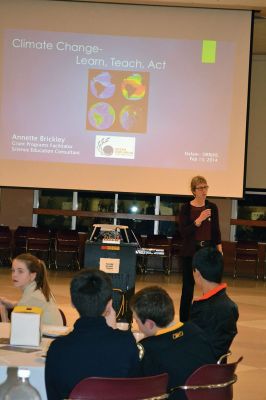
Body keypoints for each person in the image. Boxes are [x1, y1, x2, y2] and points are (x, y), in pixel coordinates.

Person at [45, 269, 140, 400]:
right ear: (109, 304)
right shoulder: (126, 342)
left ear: (72, 302)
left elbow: (52, 395)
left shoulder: (57, 348)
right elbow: (133, 389)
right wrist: (113, 329)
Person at [130, 286, 216, 400]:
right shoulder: (196, 331)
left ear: (150, 324)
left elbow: (135, 387)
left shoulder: (147, 349)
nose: (137, 326)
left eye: (136, 321)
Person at [179, 175, 222, 322]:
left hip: (208, 251)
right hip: (190, 252)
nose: (204, 190)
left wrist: (219, 249)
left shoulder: (212, 207)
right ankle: (184, 321)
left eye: (206, 187)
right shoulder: (186, 208)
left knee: (210, 286)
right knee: (188, 288)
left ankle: (210, 317)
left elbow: (216, 230)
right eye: (201, 188)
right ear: (193, 191)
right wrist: (199, 220)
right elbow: (184, 232)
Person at [190, 247, 239, 360]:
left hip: (198, 370)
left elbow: (191, 344)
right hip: (218, 369)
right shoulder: (231, 306)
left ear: (197, 272)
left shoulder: (201, 309)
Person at [0, 253, 63, 326]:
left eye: (20, 271)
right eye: (13, 270)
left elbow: (14, 334)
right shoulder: (38, 290)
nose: (14, 275)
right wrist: (12, 304)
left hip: (46, 337)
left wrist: (3, 311)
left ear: (32, 275)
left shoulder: (29, 299)